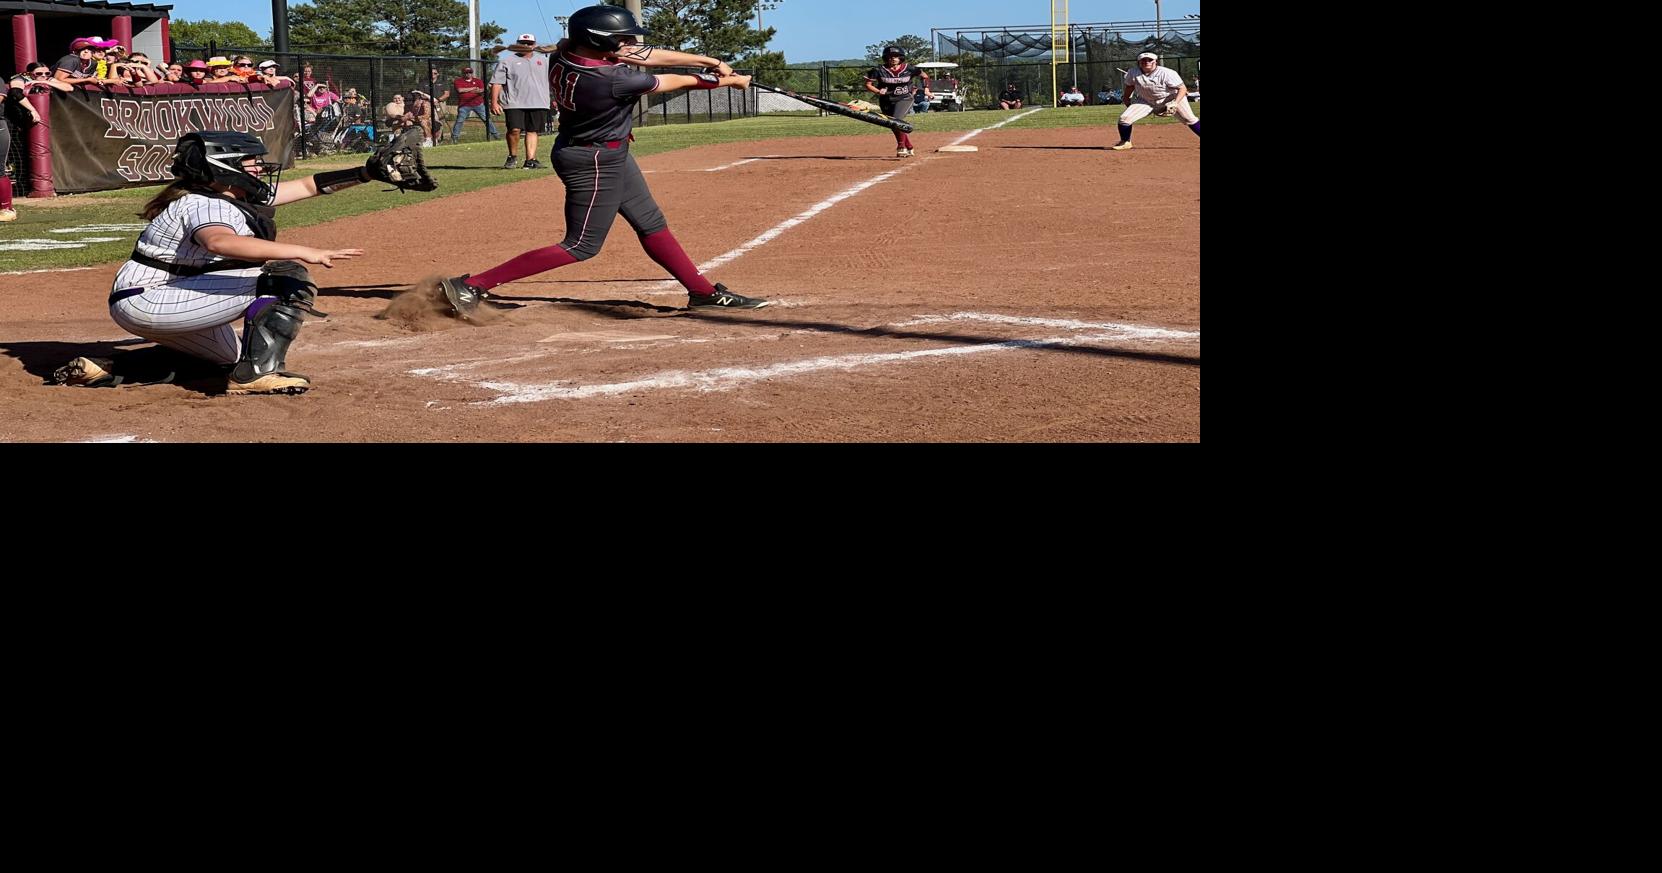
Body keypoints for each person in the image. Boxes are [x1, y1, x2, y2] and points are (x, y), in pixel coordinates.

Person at [435, 4, 771, 319]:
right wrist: (729, 81)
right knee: (581, 245)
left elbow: (643, 55)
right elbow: (677, 80)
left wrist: (709, 60)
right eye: (621, 38)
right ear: (598, 41)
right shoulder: (613, 79)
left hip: (605, 152)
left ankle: (702, 292)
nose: (629, 44)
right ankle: (471, 286)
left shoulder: (566, 51)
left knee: (651, 223)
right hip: (593, 160)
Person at [52, 131, 382, 395]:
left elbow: (308, 186)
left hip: (158, 295)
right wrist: (303, 251)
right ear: (223, 168)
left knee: (229, 360)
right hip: (154, 297)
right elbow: (219, 242)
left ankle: (107, 368)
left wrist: (365, 173)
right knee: (286, 278)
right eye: (250, 162)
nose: (259, 168)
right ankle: (256, 376)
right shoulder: (207, 205)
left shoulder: (222, 195)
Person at [1111, 51, 1200, 150]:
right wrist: (1126, 98)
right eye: (1143, 60)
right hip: (1146, 101)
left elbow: (1182, 89)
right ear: (1139, 62)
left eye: (1150, 60)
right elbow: (1130, 86)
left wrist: (1175, 102)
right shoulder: (1133, 72)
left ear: (1155, 62)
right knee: (1124, 119)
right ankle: (1125, 142)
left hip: (1170, 98)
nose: (1147, 62)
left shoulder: (1167, 73)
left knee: (1190, 119)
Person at [3, 65, 55, 221]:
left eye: (47, 73)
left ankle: (13, 197)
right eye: (39, 73)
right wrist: (32, 109)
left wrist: (45, 82)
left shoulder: (43, 80)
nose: (43, 75)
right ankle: (17, 192)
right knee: (13, 159)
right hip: (11, 122)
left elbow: (68, 87)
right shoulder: (19, 79)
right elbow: (15, 92)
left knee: (21, 158)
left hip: (24, 125)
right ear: (28, 73)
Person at [491, 33, 552, 169]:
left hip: (538, 102)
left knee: (532, 130)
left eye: (529, 43)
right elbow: (496, 83)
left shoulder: (544, 61)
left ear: (534, 45)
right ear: (517, 44)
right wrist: (494, 102)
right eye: (522, 43)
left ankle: (531, 160)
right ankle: (512, 156)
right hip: (514, 102)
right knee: (514, 129)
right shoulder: (507, 61)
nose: (526, 45)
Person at [863, 45, 928, 157]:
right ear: (885, 58)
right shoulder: (879, 70)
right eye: (890, 56)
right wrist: (878, 91)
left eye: (896, 56)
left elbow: (924, 76)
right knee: (892, 124)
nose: (893, 58)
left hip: (905, 98)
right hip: (886, 100)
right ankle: (909, 146)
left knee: (896, 120)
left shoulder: (909, 68)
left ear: (901, 57)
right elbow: (868, 84)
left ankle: (901, 146)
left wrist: (926, 88)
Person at [450, 65, 497, 143]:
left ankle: (495, 135)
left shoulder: (478, 81)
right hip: (464, 105)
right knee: (460, 121)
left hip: (478, 104)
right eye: (466, 72)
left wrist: (468, 90)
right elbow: (460, 90)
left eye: (470, 72)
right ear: (463, 73)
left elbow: (482, 90)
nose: (468, 74)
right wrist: (473, 88)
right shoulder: (458, 81)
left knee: (486, 119)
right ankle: (455, 137)